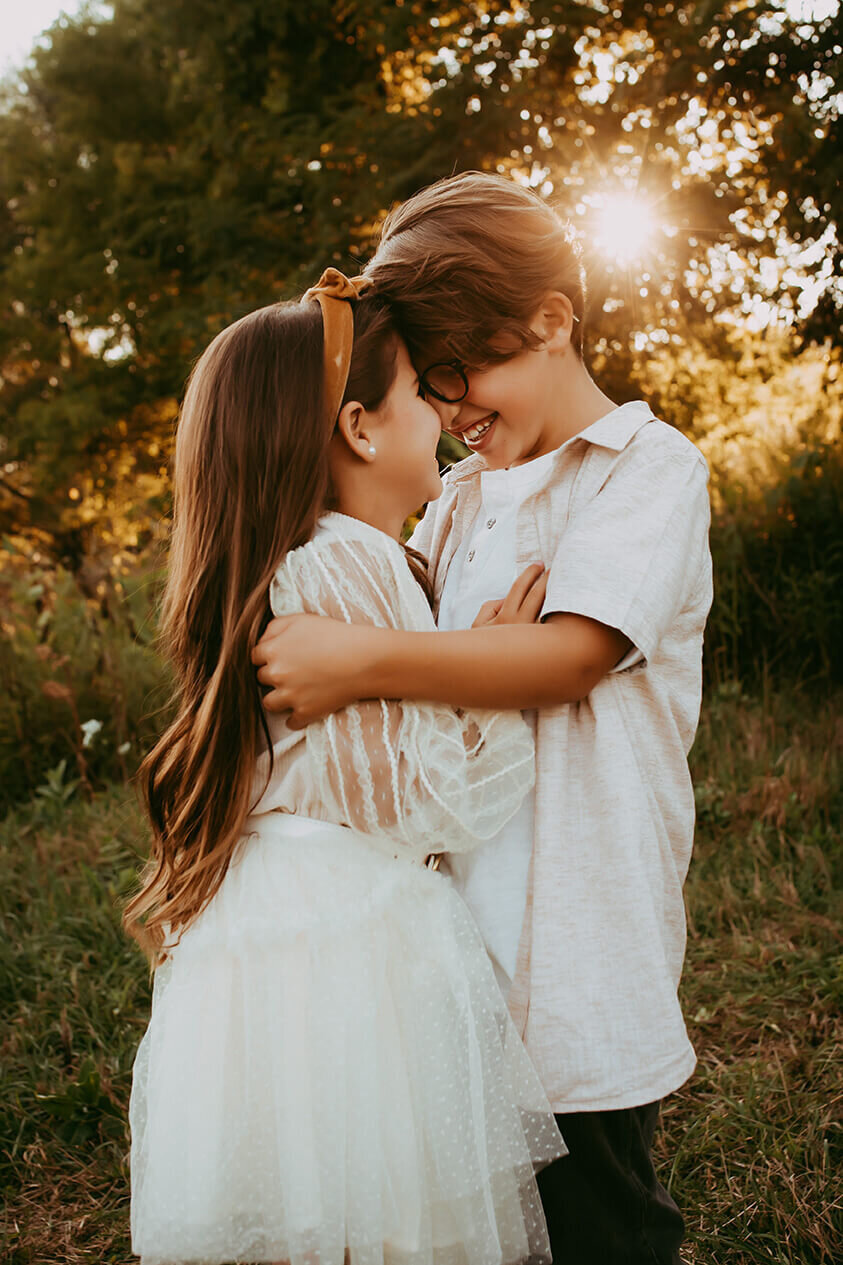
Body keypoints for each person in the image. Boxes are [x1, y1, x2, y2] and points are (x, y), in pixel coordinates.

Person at [252, 173, 714, 1265]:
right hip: (453, 947)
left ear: (551, 321)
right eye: (436, 382)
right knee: (481, 1220)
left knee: (600, 1213)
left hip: (580, 944)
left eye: (470, 371)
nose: (456, 408)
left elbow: (570, 653)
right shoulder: (458, 498)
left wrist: (360, 659)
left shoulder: (645, 471)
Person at [125, 268, 566, 1265]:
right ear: (361, 427)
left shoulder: (295, 558)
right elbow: (419, 802)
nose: (445, 414)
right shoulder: (347, 558)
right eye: (422, 392)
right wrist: (496, 671)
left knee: (305, 1211)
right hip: (349, 941)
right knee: (387, 1216)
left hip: (272, 937)